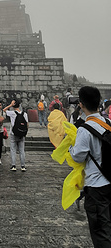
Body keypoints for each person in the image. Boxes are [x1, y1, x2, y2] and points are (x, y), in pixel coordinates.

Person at [69, 86, 111, 247]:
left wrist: (70, 147)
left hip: (96, 186)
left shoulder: (84, 129)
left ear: (81, 104)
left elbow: (77, 156)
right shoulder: (108, 122)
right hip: (110, 181)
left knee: (100, 231)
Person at [4, 100, 28, 172]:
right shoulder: (25, 114)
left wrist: (10, 105)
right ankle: (23, 166)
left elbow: (4, 110)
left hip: (13, 134)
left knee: (13, 150)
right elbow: (27, 124)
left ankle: (13, 165)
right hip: (22, 134)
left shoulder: (12, 113)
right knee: (21, 150)